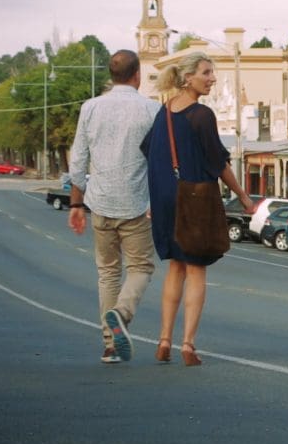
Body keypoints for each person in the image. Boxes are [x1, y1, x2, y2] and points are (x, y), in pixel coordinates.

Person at [141, 52, 255, 366]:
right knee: (195, 268)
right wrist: (244, 197)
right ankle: (187, 345)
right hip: (193, 198)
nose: (212, 78)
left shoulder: (163, 112)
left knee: (175, 268)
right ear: (188, 77)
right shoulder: (201, 115)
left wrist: (155, 196)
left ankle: (164, 339)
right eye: (206, 73)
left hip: (165, 198)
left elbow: (149, 152)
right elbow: (218, 163)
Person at [67, 49, 162, 365]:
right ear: (137, 75)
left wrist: (76, 203)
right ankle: (121, 313)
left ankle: (110, 346)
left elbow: (78, 159)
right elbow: (159, 160)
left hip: (100, 202)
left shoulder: (91, 108)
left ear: (112, 76)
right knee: (140, 267)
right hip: (135, 202)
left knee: (107, 272)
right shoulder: (151, 109)